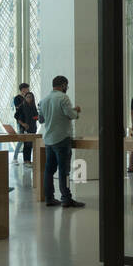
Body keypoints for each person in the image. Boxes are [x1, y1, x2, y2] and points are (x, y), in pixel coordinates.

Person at [41, 75, 83, 207]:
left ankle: (49, 198)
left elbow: (41, 120)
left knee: (49, 170)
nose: (67, 88)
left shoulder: (44, 100)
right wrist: (76, 112)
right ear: (63, 85)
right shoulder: (63, 98)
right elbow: (70, 115)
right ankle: (66, 198)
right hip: (62, 138)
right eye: (67, 85)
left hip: (48, 139)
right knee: (64, 170)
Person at [16, 88, 41, 166]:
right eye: (27, 97)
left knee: (30, 145)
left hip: (33, 128)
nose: (29, 98)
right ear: (25, 98)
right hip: (25, 128)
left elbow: (35, 116)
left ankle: (29, 160)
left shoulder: (33, 106)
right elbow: (17, 117)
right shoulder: (22, 106)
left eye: (31, 97)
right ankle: (26, 160)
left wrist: (37, 118)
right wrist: (23, 124)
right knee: (26, 144)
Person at [12, 83, 35, 165]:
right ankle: (15, 158)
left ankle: (27, 160)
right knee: (21, 140)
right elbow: (18, 110)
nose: (28, 91)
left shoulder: (30, 100)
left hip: (30, 124)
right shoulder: (17, 98)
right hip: (21, 122)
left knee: (28, 142)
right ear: (22, 90)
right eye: (26, 89)